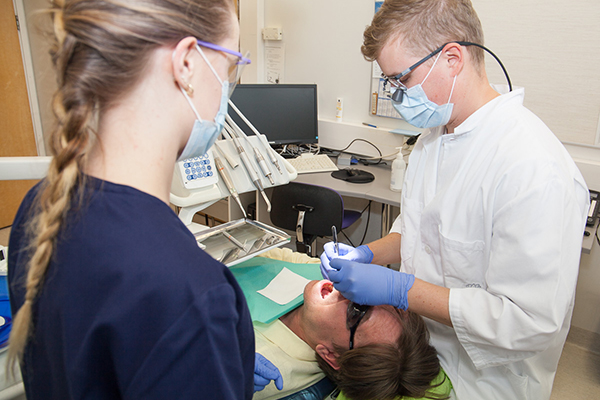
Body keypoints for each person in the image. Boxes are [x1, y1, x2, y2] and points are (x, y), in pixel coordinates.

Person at [321, 1, 589, 399]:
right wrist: (366, 254)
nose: (396, 95)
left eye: (401, 79)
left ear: (452, 59)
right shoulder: (433, 139)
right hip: (422, 354)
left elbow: (527, 322)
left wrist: (400, 290)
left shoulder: (534, 168)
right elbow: (417, 231)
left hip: (486, 379)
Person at [7, 0, 258, 398]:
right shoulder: (188, 293)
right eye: (230, 66)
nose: (226, 88)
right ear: (187, 62)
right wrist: (205, 352)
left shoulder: (40, 204)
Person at [243, 250, 448, 400]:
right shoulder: (319, 286)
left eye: (358, 310)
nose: (352, 292)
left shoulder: (263, 369)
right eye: (377, 294)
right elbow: (264, 255)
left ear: (331, 356)